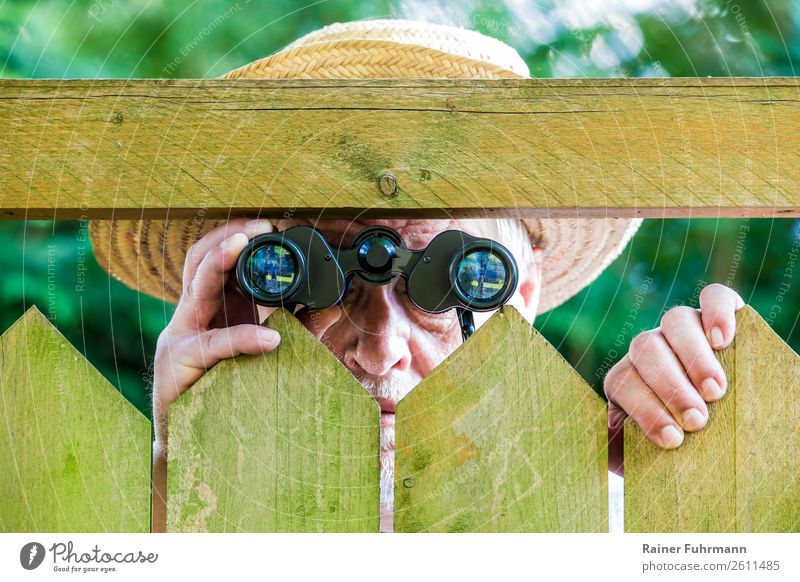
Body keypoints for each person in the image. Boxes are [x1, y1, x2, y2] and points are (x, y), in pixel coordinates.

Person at [88, 20, 744, 532]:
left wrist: (681, 485)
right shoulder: (193, 513)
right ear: (250, 286)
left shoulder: (597, 515)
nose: (380, 349)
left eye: (446, 279)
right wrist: (181, 472)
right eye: (317, 277)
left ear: (519, 296)